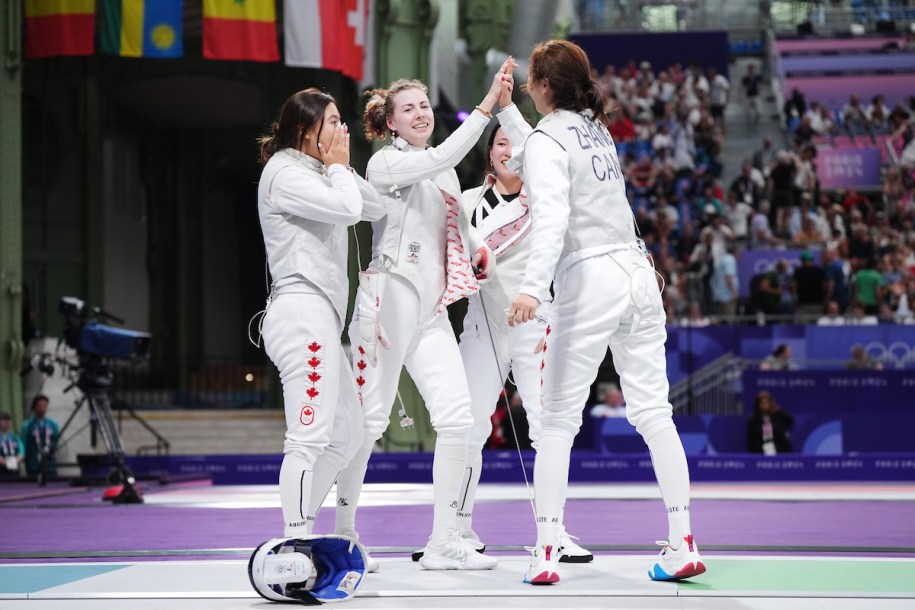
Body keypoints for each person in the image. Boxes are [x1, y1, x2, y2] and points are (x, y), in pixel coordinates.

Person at [506, 40, 705, 585]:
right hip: (637, 273)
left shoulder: (551, 135)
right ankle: (683, 542)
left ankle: (546, 551)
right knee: (654, 414)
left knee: (556, 424)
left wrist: (528, 287)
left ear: (543, 87)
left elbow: (551, 217)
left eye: (530, 84)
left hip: (591, 277)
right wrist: (505, 111)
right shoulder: (595, 129)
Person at [333, 60, 516, 572]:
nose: (419, 114)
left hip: (431, 311)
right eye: (408, 109)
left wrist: (483, 251)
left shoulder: (444, 171)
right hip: (387, 301)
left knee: (458, 418)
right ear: (390, 122)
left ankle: (443, 541)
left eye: (424, 107)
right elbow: (444, 154)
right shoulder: (385, 165)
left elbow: (458, 223)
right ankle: (344, 536)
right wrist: (485, 107)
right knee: (370, 422)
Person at [447, 106, 593, 563]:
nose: (508, 150)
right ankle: (456, 529)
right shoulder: (468, 203)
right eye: (500, 143)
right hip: (482, 325)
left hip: (536, 325)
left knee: (546, 428)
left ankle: (555, 531)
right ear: (489, 154)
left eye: (515, 142)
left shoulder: (547, 203)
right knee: (466, 428)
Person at [255, 88, 385, 562]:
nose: (341, 129)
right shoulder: (284, 173)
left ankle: (302, 531)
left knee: (349, 434)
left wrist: (339, 166)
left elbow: (374, 207)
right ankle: (295, 542)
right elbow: (351, 210)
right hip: (301, 312)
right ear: (304, 129)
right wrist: (336, 168)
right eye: (332, 122)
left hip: (323, 320)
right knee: (308, 438)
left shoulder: (320, 171)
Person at [21, 394, 59, 479]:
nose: (42, 409)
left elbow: (57, 442)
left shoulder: (53, 424)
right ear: (34, 407)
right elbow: (23, 444)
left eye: (44, 406)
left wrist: (50, 450)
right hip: (33, 463)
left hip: (50, 463)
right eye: (39, 406)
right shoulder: (27, 425)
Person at [0, 411, 24, 477]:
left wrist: (16, 460)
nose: (6, 423)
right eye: (3, 420)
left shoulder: (15, 437)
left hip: (14, 469)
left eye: (8, 420)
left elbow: (21, 452)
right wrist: (4, 462)